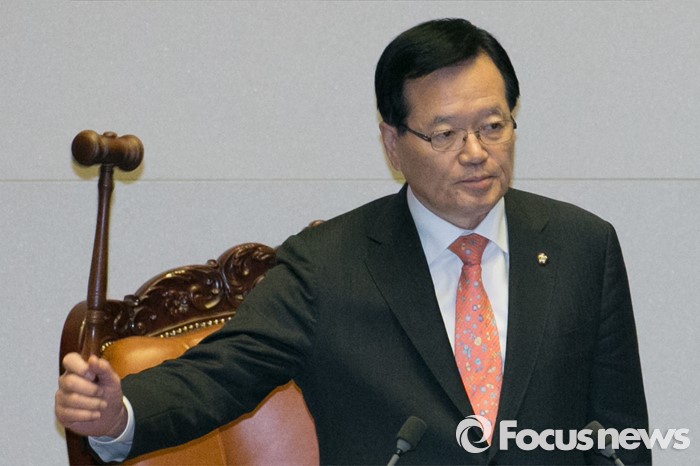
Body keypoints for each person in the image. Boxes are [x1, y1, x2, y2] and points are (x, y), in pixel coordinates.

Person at [56, 18, 650, 465]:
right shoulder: (327, 266)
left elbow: (621, 436)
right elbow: (220, 372)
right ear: (393, 143)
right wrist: (118, 414)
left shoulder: (583, 247)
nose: (476, 152)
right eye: (445, 134)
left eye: (493, 126)